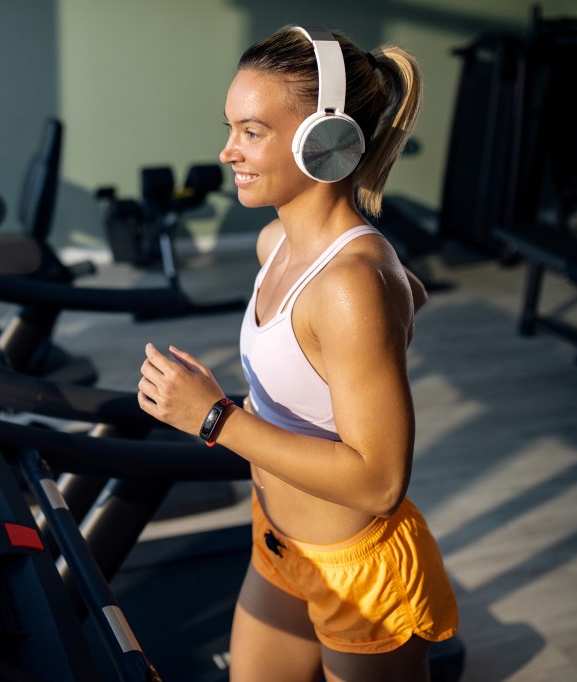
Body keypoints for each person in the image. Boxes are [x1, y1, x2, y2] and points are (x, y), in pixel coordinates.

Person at [138, 24, 458, 682]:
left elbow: (378, 482)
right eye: (230, 128)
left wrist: (215, 418)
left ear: (326, 141)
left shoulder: (349, 285)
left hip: (358, 568)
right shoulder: (276, 247)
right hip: (278, 542)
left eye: (251, 131)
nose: (228, 151)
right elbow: (392, 301)